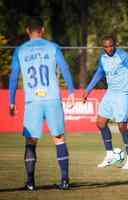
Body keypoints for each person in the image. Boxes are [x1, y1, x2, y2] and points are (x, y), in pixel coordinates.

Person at [9, 17, 75, 190]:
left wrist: (11, 101)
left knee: (31, 141)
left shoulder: (20, 50)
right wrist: (71, 92)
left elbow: (14, 76)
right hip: (52, 98)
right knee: (59, 139)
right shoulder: (53, 47)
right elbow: (65, 68)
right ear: (43, 30)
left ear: (27, 30)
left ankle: (30, 183)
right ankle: (65, 181)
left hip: (33, 101)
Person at [83, 35, 128, 170]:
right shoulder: (103, 58)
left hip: (123, 94)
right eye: (106, 46)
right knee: (100, 123)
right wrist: (88, 90)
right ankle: (109, 155)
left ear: (115, 45)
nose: (109, 48)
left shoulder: (123, 56)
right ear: (103, 47)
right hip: (110, 93)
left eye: (111, 45)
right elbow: (99, 73)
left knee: (121, 126)